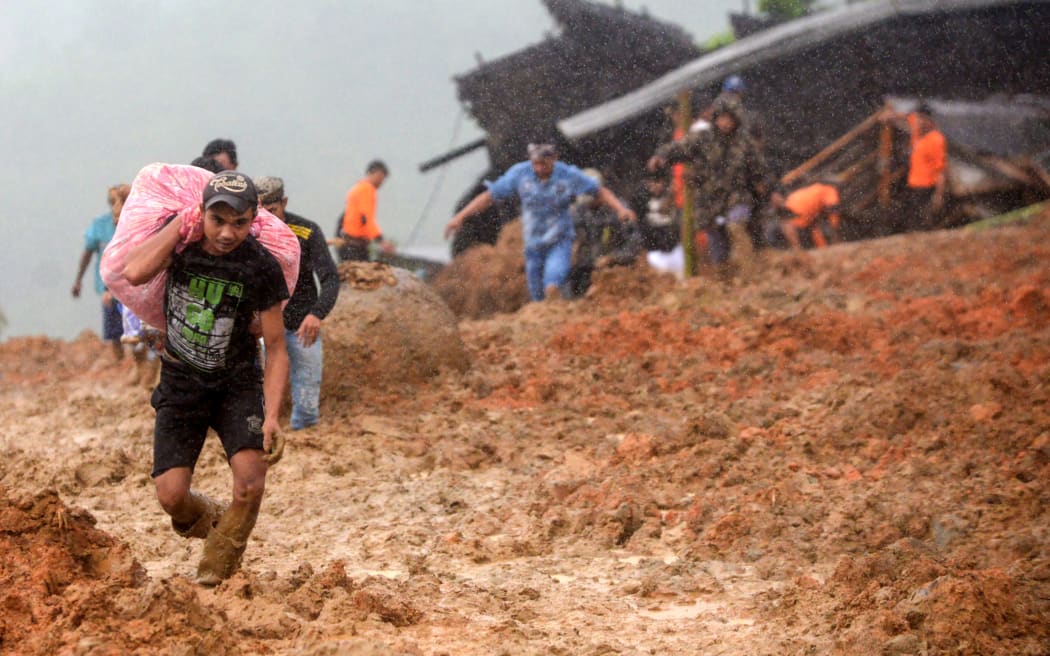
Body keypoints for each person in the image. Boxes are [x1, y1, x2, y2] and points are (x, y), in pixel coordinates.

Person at [121, 170, 288, 586]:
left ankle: (218, 566)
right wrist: (182, 225)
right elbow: (136, 271)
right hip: (180, 382)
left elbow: (277, 348)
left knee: (251, 482)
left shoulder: (261, 266)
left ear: (253, 220)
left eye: (240, 222)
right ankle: (214, 521)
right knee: (172, 497)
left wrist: (271, 417)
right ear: (203, 214)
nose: (228, 233)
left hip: (236, 384)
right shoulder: (181, 243)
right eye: (218, 220)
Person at [445, 143, 636, 301]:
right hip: (534, 243)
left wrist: (620, 209)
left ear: (553, 160)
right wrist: (460, 217)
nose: (539, 169)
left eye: (544, 164)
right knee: (536, 289)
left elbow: (599, 191)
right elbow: (489, 196)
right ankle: (549, 308)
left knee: (553, 279)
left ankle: (557, 296)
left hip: (559, 239)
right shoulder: (520, 175)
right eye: (536, 164)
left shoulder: (568, 175)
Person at [648, 96, 776, 272]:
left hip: (736, 196)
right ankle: (724, 277)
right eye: (722, 117)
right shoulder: (703, 138)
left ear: (736, 120)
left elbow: (759, 169)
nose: (725, 123)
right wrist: (661, 156)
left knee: (736, 225)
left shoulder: (744, 143)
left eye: (729, 119)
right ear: (715, 117)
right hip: (709, 200)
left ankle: (749, 271)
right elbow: (679, 148)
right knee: (717, 246)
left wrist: (764, 187)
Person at [255, 176, 340, 431]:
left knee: (307, 395)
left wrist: (316, 314)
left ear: (284, 202)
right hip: (259, 327)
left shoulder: (307, 232)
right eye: (262, 212)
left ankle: (304, 431)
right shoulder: (248, 233)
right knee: (252, 390)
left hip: (300, 325)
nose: (268, 218)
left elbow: (330, 278)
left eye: (273, 211)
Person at [72, 184, 130, 359]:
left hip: (132, 285)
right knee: (114, 331)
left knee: (137, 329)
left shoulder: (136, 223)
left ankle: (140, 367)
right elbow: (87, 253)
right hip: (109, 288)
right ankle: (121, 366)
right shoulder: (100, 225)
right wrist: (78, 280)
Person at [896, 102, 947, 230]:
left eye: (921, 118)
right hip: (913, 183)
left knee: (920, 221)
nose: (918, 121)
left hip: (926, 187)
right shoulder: (918, 130)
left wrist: (938, 195)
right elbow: (907, 117)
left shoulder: (936, 139)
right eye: (917, 118)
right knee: (910, 216)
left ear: (929, 120)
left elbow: (940, 171)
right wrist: (889, 114)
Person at [629, 169, 683, 277]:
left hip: (674, 248)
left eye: (658, 182)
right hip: (654, 251)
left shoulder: (674, 198)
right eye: (652, 182)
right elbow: (638, 225)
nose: (655, 186)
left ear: (663, 182)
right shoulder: (641, 201)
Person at [339, 160, 395, 262]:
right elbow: (366, 218)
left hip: (349, 243)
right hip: (355, 245)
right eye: (381, 177)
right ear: (374, 173)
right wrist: (381, 240)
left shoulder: (358, 188)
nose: (381, 182)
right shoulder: (366, 189)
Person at [774, 180, 842, 250]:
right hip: (800, 208)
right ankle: (801, 249)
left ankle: (820, 247)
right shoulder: (830, 190)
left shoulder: (817, 188)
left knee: (812, 227)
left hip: (793, 200)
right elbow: (833, 210)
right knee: (809, 227)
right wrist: (835, 230)